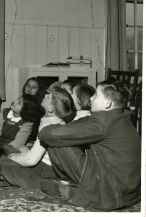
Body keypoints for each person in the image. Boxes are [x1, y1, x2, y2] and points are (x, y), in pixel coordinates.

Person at [38, 81, 141, 211]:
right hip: (127, 192)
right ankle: (76, 184)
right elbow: (82, 124)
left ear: (107, 103)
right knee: (65, 136)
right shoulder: (119, 115)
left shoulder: (103, 122)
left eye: (96, 95)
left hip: (109, 194)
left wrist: (50, 129)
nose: (91, 97)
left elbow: (48, 134)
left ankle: (77, 188)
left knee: (57, 141)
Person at [0, 86, 76, 189]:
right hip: (44, 165)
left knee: (0, 160)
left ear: (51, 108)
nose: (45, 95)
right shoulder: (53, 120)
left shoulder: (48, 126)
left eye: (48, 97)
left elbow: (31, 159)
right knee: (6, 150)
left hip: (45, 169)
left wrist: (12, 157)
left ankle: (36, 183)